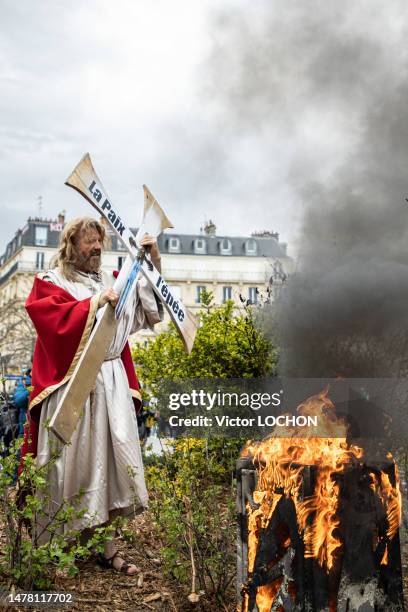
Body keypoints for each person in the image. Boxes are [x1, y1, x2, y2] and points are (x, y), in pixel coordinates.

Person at [20, 217, 162, 575]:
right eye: (89, 242)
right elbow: (49, 320)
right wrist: (95, 303)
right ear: (71, 246)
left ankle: (106, 546)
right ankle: (56, 549)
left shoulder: (113, 281)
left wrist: (152, 262)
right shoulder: (52, 282)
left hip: (112, 382)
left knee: (113, 465)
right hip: (72, 385)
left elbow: (146, 314)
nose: (97, 248)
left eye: (100, 242)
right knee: (68, 467)